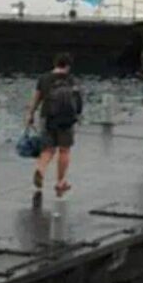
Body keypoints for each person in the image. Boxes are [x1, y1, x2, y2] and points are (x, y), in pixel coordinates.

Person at [26, 53, 82, 197]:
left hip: (48, 117)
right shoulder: (72, 80)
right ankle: (60, 181)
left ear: (55, 63)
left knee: (48, 149)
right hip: (67, 120)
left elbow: (36, 98)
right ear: (68, 66)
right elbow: (78, 101)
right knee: (64, 150)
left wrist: (30, 114)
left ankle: (41, 169)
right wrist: (78, 116)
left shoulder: (44, 78)